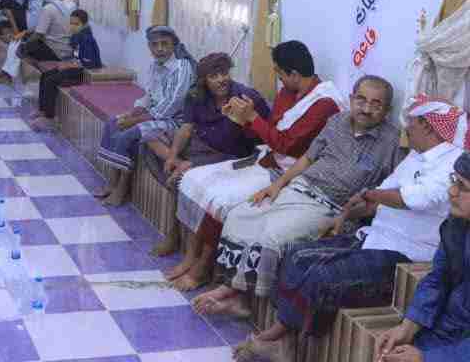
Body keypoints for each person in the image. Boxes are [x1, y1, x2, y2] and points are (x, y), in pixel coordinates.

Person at [236, 94, 466, 362]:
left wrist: (371, 195)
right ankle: (283, 340)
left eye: (411, 123)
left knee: (322, 275)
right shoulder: (416, 156)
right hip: (375, 236)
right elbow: (383, 191)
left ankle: (279, 337)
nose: (407, 129)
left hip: (406, 252)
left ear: (427, 126)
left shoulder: (452, 163)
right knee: (297, 254)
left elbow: (414, 198)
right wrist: (349, 212)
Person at [195, 75, 400, 319]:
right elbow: (308, 158)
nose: (366, 108)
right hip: (299, 187)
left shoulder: (392, 142)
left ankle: (239, 296)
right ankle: (233, 291)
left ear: (387, 110)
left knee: (271, 234)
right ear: (351, 99)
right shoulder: (337, 121)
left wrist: (349, 215)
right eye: (361, 100)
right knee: (239, 215)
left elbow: (390, 192)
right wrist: (277, 185)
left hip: (328, 206)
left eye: (376, 104)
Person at [168, 40, 344, 292]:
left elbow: (285, 144)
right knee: (196, 181)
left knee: (222, 201)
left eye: (279, 73)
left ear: (294, 74)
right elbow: (268, 134)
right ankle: (190, 256)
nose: (278, 78)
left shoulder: (325, 103)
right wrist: (242, 120)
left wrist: (251, 117)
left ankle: (203, 267)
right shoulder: (287, 92)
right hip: (266, 158)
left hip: (288, 172)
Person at [147, 52, 270, 259]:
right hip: (200, 143)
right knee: (150, 137)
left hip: (229, 155)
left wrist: (245, 120)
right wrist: (173, 156)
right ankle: (182, 164)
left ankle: (173, 235)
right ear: (204, 80)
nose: (221, 79)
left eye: (224, 73)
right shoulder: (196, 94)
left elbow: (264, 136)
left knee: (180, 180)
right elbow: (186, 128)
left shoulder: (246, 98)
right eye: (214, 76)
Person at [373, 152, 470, 362]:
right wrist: (408, 327)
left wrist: (426, 358)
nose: (451, 191)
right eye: (454, 180)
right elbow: (439, 278)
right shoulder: (457, 225)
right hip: (447, 332)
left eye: (462, 186)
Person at [96, 25, 197, 207]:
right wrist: (134, 110)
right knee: (113, 122)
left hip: (175, 121)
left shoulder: (182, 67)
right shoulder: (155, 66)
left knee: (129, 134)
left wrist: (135, 120)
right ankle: (112, 180)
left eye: (164, 44)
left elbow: (172, 105)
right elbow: (149, 95)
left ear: (173, 44)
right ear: (149, 47)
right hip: (155, 116)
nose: (160, 49)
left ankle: (122, 188)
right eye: (155, 45)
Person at [30, 9, 102, 130]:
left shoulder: (87, 39)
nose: (72, 26)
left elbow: (88, 63)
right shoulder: (77, 36)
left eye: (76, 24)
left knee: (51, 81)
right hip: (75, 68)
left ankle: (49, 118)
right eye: (71, 23)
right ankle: (42, 110)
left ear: (84, 24)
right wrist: (67, 63)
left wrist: (68, 65)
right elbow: (76, 57)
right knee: (45, 75)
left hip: (83, 73)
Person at [0, 0, 74, 84]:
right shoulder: (66, 5)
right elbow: (41, 27)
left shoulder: (51, 8)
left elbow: (39, 34)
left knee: (20, 46)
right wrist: (23, 33)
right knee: (18, 41)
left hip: (55, 49)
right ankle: (6, 73)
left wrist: (25, 43)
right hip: (61, 46)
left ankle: (9, 76)